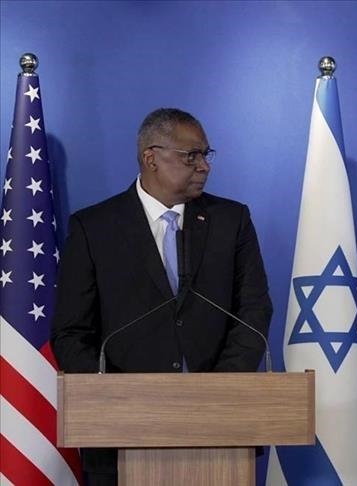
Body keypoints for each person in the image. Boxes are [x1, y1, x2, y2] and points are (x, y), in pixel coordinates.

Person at [51, 108, 273, 484]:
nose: (204, 166)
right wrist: (118, 397)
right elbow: (71, 332)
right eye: (192, 155)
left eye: (206, 154)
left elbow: (253, 311)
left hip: (219, 429)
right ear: (151, 157)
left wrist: (218, 390)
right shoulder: (94, 227)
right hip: (120, 432)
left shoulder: (231, 220)